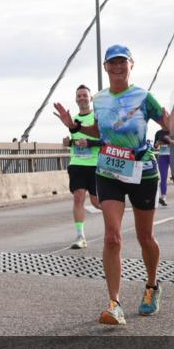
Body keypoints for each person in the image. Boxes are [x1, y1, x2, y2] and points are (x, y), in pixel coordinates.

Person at [53, 44, 174, 325]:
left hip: (141, 171)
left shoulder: (144, 97)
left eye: (123, 61)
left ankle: (152, 286)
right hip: (109, 170)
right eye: (112, 62)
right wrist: (73, 127)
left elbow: (170, 126)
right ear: (105, 68)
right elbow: (99, 130)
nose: (118, 66)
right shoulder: (99, 99)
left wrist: (172, 127)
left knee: (145, 237)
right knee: (112, 237)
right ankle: (115, 304)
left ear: (131, 65)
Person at [61, 84, 101, 248]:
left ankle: (115, 217)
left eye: (85, 95)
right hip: (77, 163)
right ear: (76, 99)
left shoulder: (96, 117)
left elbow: (105, 140)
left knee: (97, 203)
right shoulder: (73, 120)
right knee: (78, 198)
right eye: (79, 96)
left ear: (90, 98)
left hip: (95, 164)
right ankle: (80, 236)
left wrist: (90, 142)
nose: (82, 98)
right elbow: (76, 142)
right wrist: (68, 142)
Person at [153, 126, 174, 206]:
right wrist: (157, 144)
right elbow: (155, 146)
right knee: (163, 177)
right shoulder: (158, 132)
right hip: (162, 156)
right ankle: (163, 197)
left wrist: (170, 141)